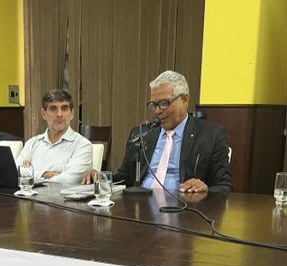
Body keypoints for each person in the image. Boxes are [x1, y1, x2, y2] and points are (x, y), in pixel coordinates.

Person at [83, 70, 232, 193]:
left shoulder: (211, 135)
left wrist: (204, 189)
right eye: (154, 105)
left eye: (164, 103)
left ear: (185, 100)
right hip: (139, 208)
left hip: (183, 210)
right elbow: (124, 177)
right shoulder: (141, 134)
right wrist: (100, 177)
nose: (157, 111)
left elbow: (224, 187)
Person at [16, 88, 92, 186]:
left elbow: (68, 180)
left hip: (61, 200)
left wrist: (31, 175)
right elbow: (16, 171)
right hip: (28, 198)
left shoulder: (83, 145)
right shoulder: (32, 143)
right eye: (53, 109)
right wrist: (46, 174)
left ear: (72, 114)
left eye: (64, 109)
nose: (59, 114)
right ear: (43, 114)